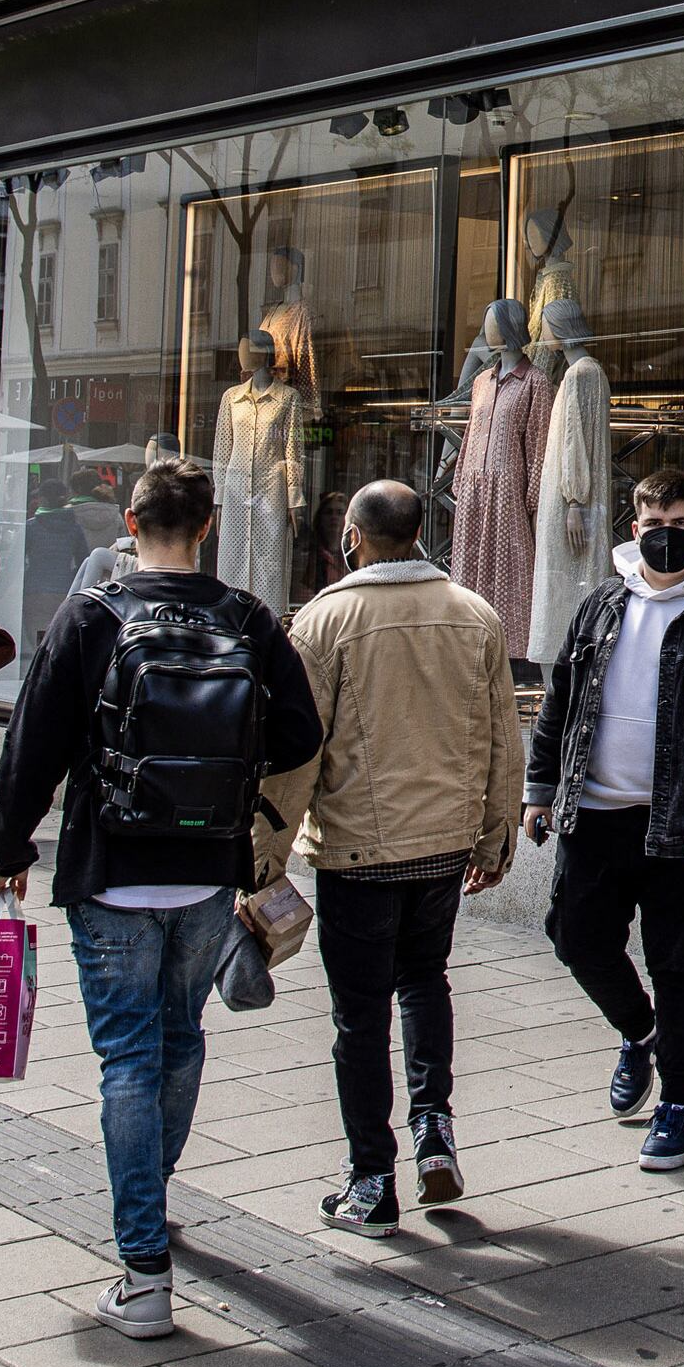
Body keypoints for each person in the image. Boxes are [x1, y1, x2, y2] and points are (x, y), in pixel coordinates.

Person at [0, 455, 322, 1339]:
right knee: (179, 1039)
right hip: (209, 868)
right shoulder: (246, 617)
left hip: (111, 869)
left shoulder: (93, 614)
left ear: (130, 525)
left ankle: (143, 1269)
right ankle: (153, 1194)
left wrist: (10, 845)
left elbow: (34, 741)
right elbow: (301, 731)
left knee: (126, 1059)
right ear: (208, 527)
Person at [264, 479, 520, 1232]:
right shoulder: (474, 614)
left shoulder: (326, 618)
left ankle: (371, 1178)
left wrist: (262, 857)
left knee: (359, 1015)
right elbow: (505, 738)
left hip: (356, 850)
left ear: (354, 532)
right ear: (418, 532)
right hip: (441, 847)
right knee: (423, 981)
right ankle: (433, 1125)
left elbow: (293, 752)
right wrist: (495, 834)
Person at [523, 468, 684, 1175]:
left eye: (679, 521)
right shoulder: (601, 605)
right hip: (597, 813)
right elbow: (561, 701)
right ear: (633, 528)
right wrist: (539, 786)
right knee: (576, 939)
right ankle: (640, 1030)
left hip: (683, 827)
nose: (664, 534)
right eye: (651, 522)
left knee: (682, 961)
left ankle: (678, 1100)